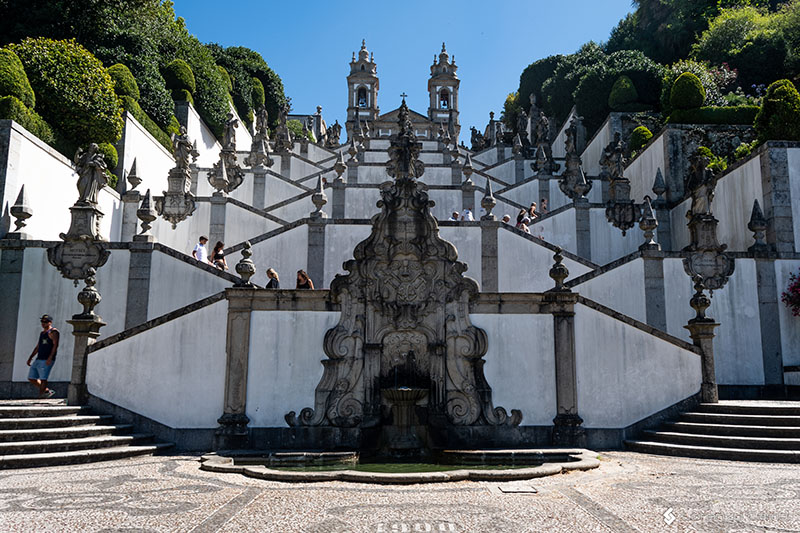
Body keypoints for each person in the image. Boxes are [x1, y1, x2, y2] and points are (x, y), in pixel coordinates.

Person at [27, 315, 59, 399]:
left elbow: (55, 345)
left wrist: (50, 357)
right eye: (42, 321)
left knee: (43, 378)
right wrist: (31, 357)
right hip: (39, 358)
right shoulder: (42, 333)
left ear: (50, 322)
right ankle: (46, 391)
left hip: (46, 358)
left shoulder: (53, 332)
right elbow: (38, 346)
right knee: (31, 378)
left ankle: (41, 396)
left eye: (45, 322)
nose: (43, 323)